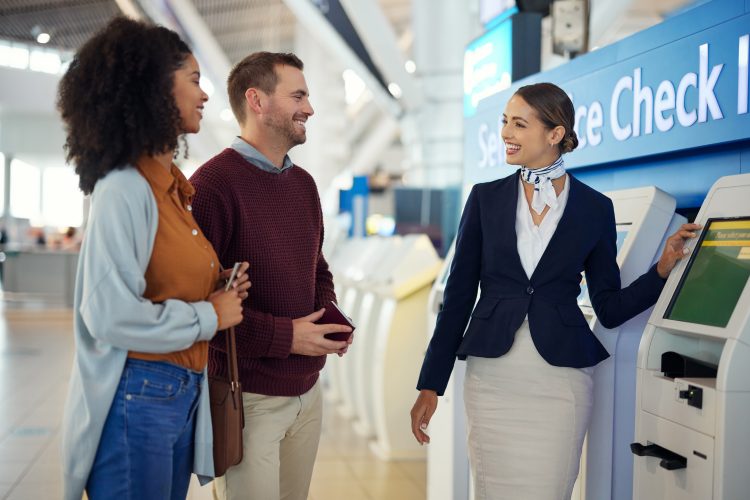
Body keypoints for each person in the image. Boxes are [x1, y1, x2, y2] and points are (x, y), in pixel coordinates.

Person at [409, 82, 701, 500]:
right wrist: (430, 385)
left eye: (519, 124)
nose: (507, 133)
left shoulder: (595, 208)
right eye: (505, 122)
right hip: (493, 378)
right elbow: (457, 300)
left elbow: (610, 306)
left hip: (560, 380)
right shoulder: (484, 199)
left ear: (555, 133)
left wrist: (661, 270)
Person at [58, 17, 250, 500]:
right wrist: (209, 314)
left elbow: (158, 283)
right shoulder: (126, 188)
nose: (204, 95)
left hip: (176, 393)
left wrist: (217, 286)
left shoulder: (173, 191)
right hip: (138, 395)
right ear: (155, 88)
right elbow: (108, 315)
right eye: (193, 80)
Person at [189, 52, 353, 500]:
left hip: (307, 393)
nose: (310, 108)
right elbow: (202, 307)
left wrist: (328, 320)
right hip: (249, 399)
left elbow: (316, 268)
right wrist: (287, 337)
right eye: (297, 95)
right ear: (256, 100)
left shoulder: (303, 184)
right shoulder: (211, 187)